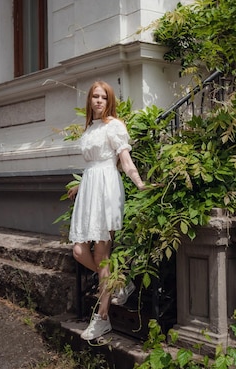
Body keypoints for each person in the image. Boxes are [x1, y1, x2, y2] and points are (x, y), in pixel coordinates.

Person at [67, 80, 145, 341]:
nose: (98, 101)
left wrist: (140, 183)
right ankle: (120, 283)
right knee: (79, 250)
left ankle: (102, 318)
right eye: (94, 97)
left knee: (102, 256)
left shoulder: (114, 126)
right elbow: (93, 164)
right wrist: (80, 187)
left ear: (109, 100)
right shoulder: (90, 128)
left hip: (106, 191)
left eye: (103, 97)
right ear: (89, 100)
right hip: (89, 189)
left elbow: (124, 160)